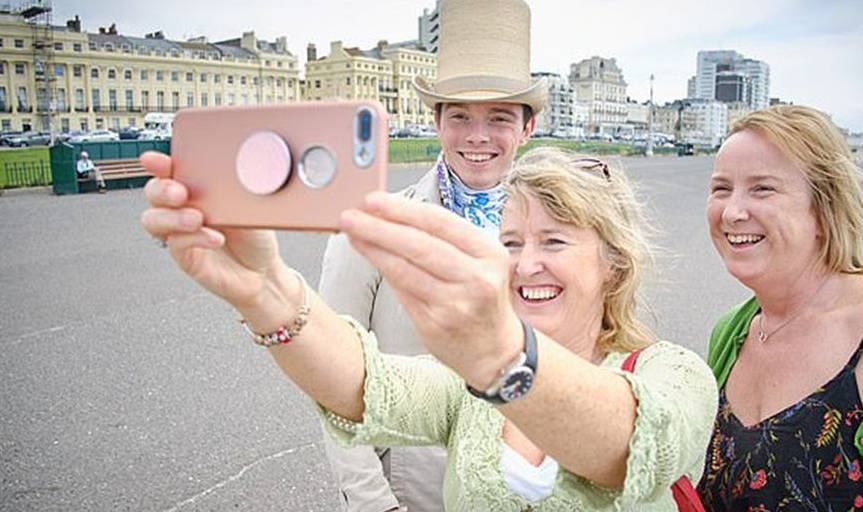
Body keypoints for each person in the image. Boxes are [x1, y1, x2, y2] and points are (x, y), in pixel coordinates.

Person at [139, 145, 717, 510]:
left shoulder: (675, 373)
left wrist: (498, 352)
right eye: (511, 242)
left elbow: (633, 445)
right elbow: (367, 384)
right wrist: (265, 291)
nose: (525, 265)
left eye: (554, 241)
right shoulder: (473, 390)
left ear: (614, 263)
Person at [318, 0, 544, 510]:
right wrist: (374, 503)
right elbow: (331, 376)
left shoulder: (556, 237)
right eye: (460, 115)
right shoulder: (371, 229)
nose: (478, 136)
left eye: (499, 118)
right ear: (437, 121)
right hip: (416, 491)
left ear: (527, 128)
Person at [697, 105, 863, 509]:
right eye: (721, 188)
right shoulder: (732, 332)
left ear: (824, 208)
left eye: (762, 189)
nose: (732, 212)